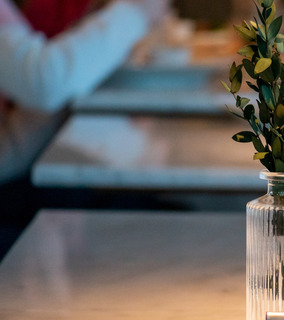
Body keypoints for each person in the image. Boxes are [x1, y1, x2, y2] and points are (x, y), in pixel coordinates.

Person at [0, 0, 169, 257]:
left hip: (18, 173)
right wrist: (135, 11)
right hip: (13, 185)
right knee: (141, 225)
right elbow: (46, 81)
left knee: (140, 212)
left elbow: (42, 93)